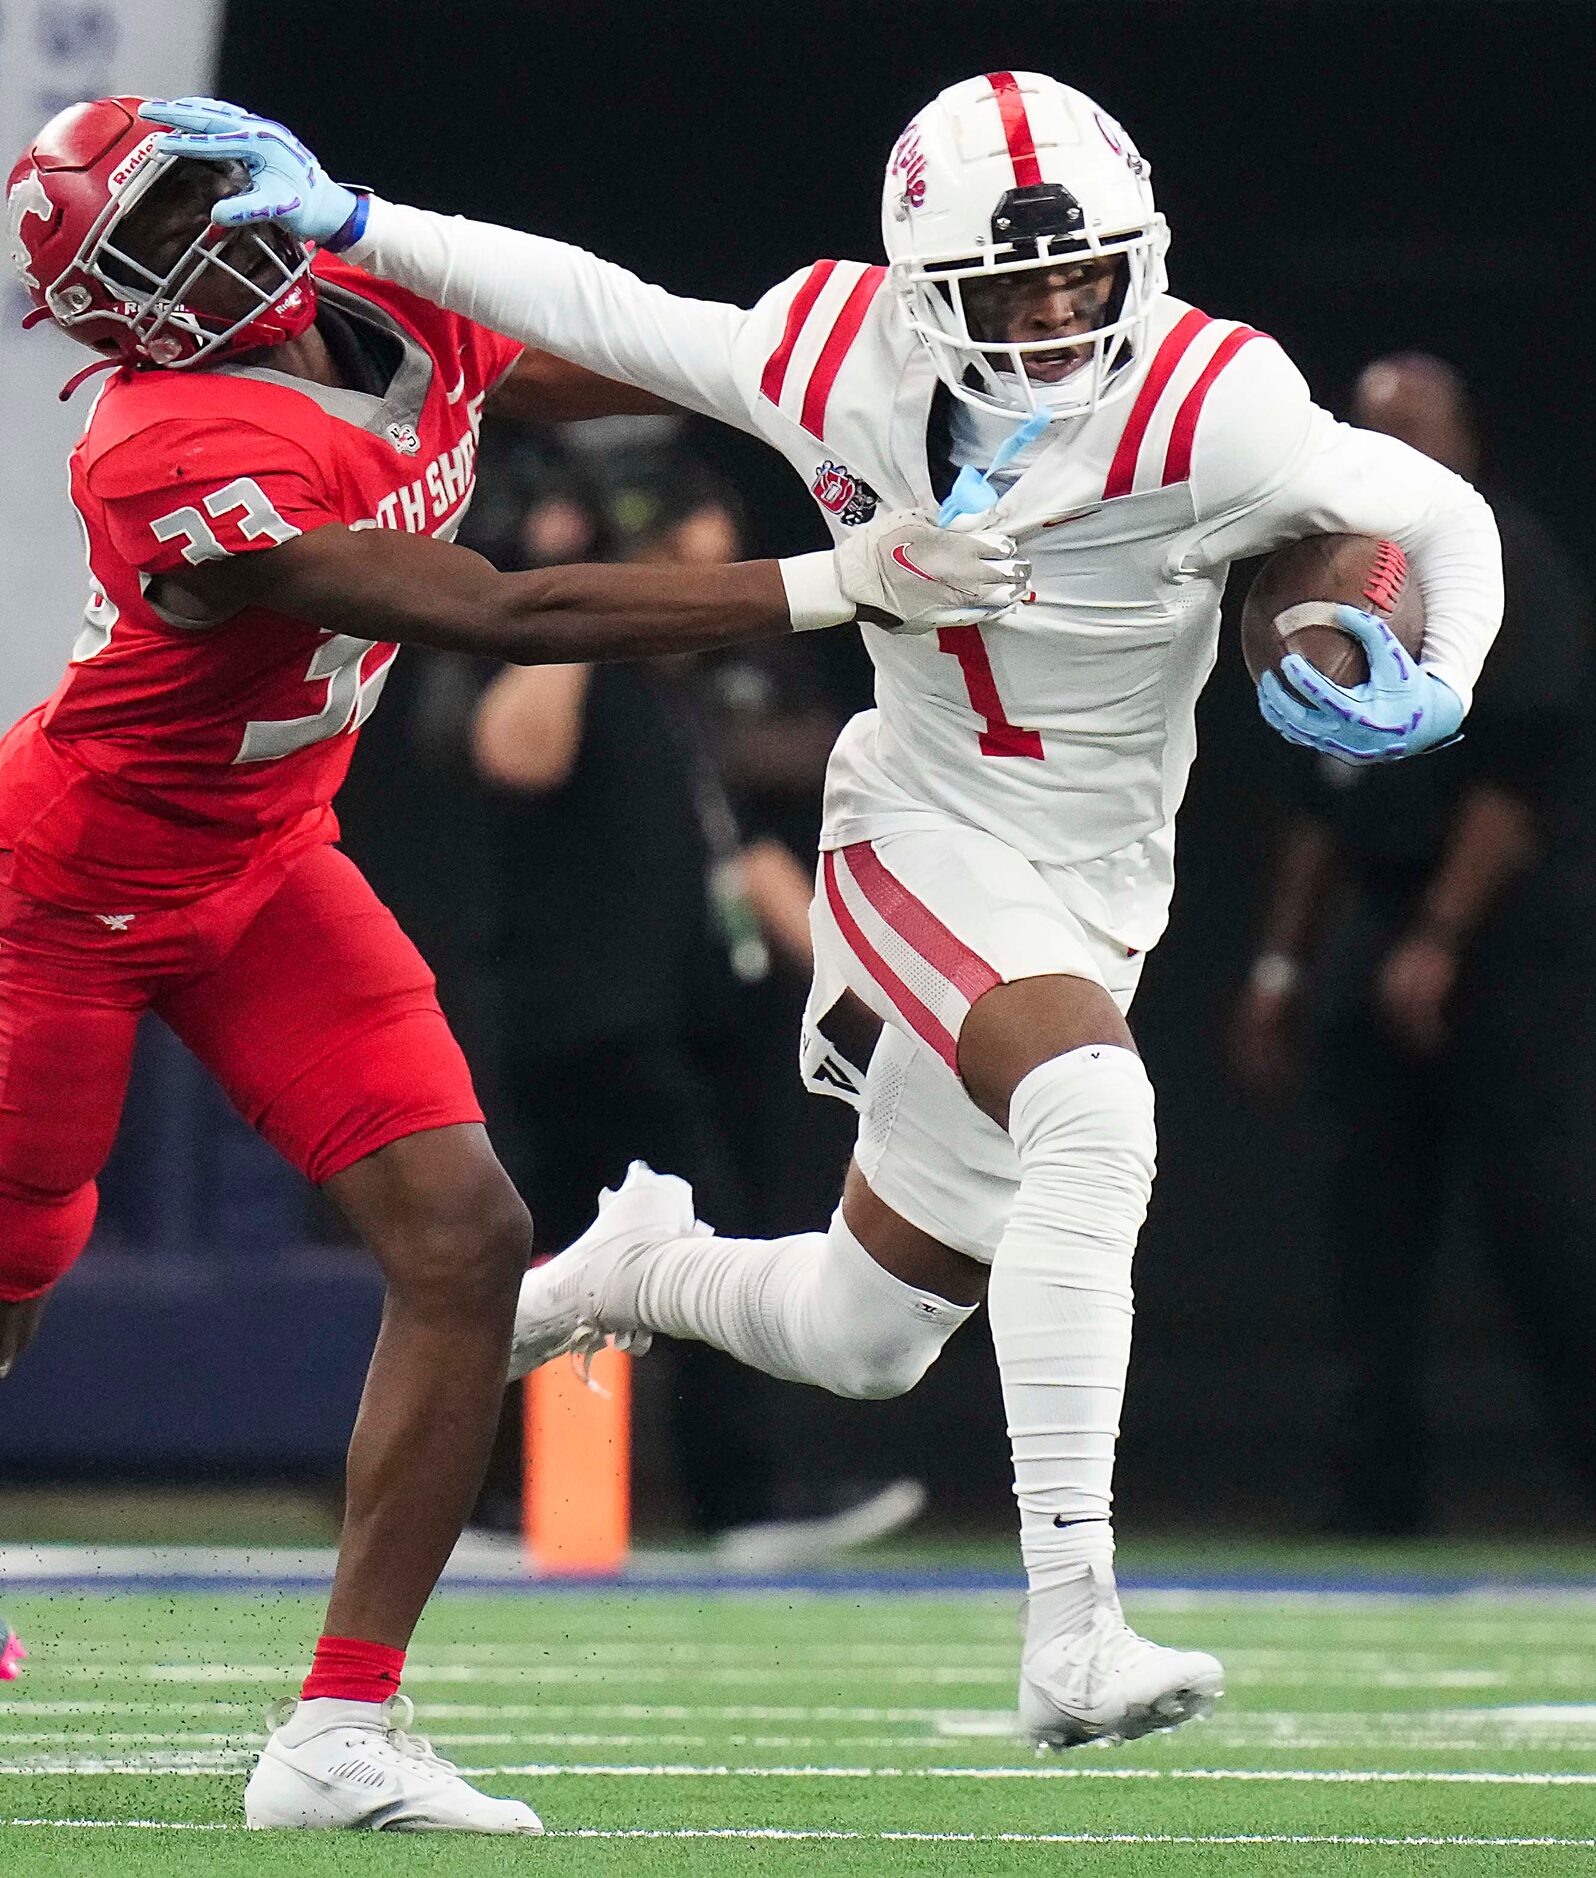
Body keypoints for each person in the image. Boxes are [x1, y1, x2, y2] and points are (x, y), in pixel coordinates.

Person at [169, 71, 1503, 1749]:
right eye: (1015, 288)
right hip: (923, 826)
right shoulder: (836, 354)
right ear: (921, 285)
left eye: (1086, 277)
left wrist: (1434, 678)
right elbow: (611, 312)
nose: (1057, 316)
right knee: (1095, 1110)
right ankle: (1074, 1624)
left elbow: (1430, 508)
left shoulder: (1211, 400)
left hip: (1098, 878)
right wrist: (363, 221)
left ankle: (632, 1276)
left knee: (868, 1337)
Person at [0, 96, 1024, 1836]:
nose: (215, 242)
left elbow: (603, 360)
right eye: (160, 240)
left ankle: (341, 1730)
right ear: (117, 310)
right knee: (12, 1283)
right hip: (71, 884)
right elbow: (498, 609)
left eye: (205, 201)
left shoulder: (384, 305)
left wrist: (851, 380)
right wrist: (834, 577)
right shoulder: (164, 440)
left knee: (467, 1236)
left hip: (266, 863)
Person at [1232, 353, 1596, 1534]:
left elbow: (1518, 778)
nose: (1401, 457)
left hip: (1505, 924)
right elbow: (1321, 796)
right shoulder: (1333, 572)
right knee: (1364, 1217)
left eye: (1420, 432)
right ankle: (1369, 1492)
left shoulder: (1504, 562)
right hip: (1383, 908)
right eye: (1377, 432)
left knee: (1542, 1213)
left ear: (1467, 442)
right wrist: (1285, 965)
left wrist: (1440, 935)